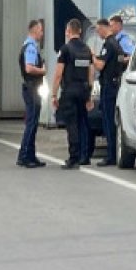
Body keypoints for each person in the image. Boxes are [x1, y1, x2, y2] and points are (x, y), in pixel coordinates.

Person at [51, 18, 94, 169]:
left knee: (72, 125)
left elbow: (58, 74)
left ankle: (73, 157)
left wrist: (54, 95)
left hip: (69, 90)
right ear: (80, 31)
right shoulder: (87, 49)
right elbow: (90, 74)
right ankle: (85, 155)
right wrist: (89, 95)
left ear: (68, 32)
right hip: (83, 90)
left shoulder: (65, 49)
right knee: (83, 123)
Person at [91, 18, 124, 166]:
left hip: (109, 87)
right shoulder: (117, 44)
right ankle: (115, 153)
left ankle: (111, 156)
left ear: (105, 28)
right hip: (115, 85)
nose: (98, 33)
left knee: (108, 121)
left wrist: (91, 55)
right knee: (112, 121)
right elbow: (123, 61)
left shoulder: (109, 44)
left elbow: (99, 65)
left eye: (98, 30)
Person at [17, 20, 46, 168]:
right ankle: (24, 156)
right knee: (31, 123)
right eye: (41, 31)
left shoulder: (29, 45)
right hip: (32, 87)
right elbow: (29, 68)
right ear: (35, 31)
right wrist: (42, 70)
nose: (42, 33)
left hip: (32, 87)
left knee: (33, 123)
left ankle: (30, 155)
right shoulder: (30, 47)